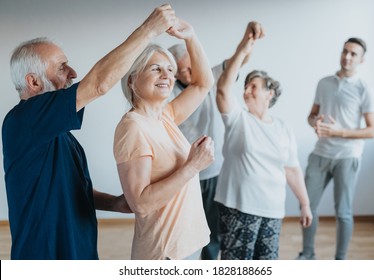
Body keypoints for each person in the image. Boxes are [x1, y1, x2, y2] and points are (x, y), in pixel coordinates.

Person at [2, 4, 179, 260]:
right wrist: (149, 30)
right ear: (33, 82)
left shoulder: (60, 134)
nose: (73, 73)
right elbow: (97, 85)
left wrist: (114, 203)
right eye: (62, 67)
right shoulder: (24, 120)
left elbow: (72, 190)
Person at [113, 17, 214, 260]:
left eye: (170, 69)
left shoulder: (164, 115)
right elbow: (140, 203)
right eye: (155, 68)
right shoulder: (133, 127)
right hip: (164, 252)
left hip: (189, 242)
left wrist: (190, 36)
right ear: (132, 79)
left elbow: (203, 83)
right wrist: (193, 166)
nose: (166, 75)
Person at [214, 23, 313, 260]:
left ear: (270, 93)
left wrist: (305, 203)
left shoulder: (283, 128)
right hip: (238, 208)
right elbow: (223, 89)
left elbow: (292, 170)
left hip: (272, 211)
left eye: (254, 86)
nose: (246, 90)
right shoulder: (238, 119)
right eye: (245, 86)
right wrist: (243, 48)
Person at [167, 21, 259, 260]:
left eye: (192, 67)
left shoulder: (209, 76)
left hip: (214, 170)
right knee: (182, 229)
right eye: (185, 70)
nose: (192, 73)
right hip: (184, 172)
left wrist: (246, 40)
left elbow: (238, 61)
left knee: (213, 230)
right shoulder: (168, 92)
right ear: (174, 71)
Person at [296, 38, 374, 260]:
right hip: (320, 154)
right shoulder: (324, 83)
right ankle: (308, 253)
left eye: (353, 54)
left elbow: (372, 131)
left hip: (347, 157)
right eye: (345, 51)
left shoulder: (364, 89)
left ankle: (340, 261)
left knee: (343, 213)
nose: (347, 57)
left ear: (361, 60)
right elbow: (311, 116)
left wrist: (339, 132)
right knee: (307, 205)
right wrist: (316, 123)